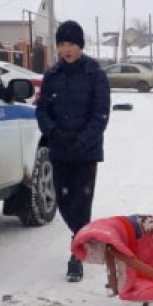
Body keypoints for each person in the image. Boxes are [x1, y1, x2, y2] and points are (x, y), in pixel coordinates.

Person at [36, 20, 111, 282]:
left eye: (71, 44)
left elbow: (100, 114)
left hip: (86, 150)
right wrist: (54, 133)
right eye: (62, 44)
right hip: (59, 149)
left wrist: (83, 140)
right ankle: (83, 235)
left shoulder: (95, 74)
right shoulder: (52, 75)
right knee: (65, 202)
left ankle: (76, 254)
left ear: (80, 46)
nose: (66, 49)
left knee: (81, 201)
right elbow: (42, 110)